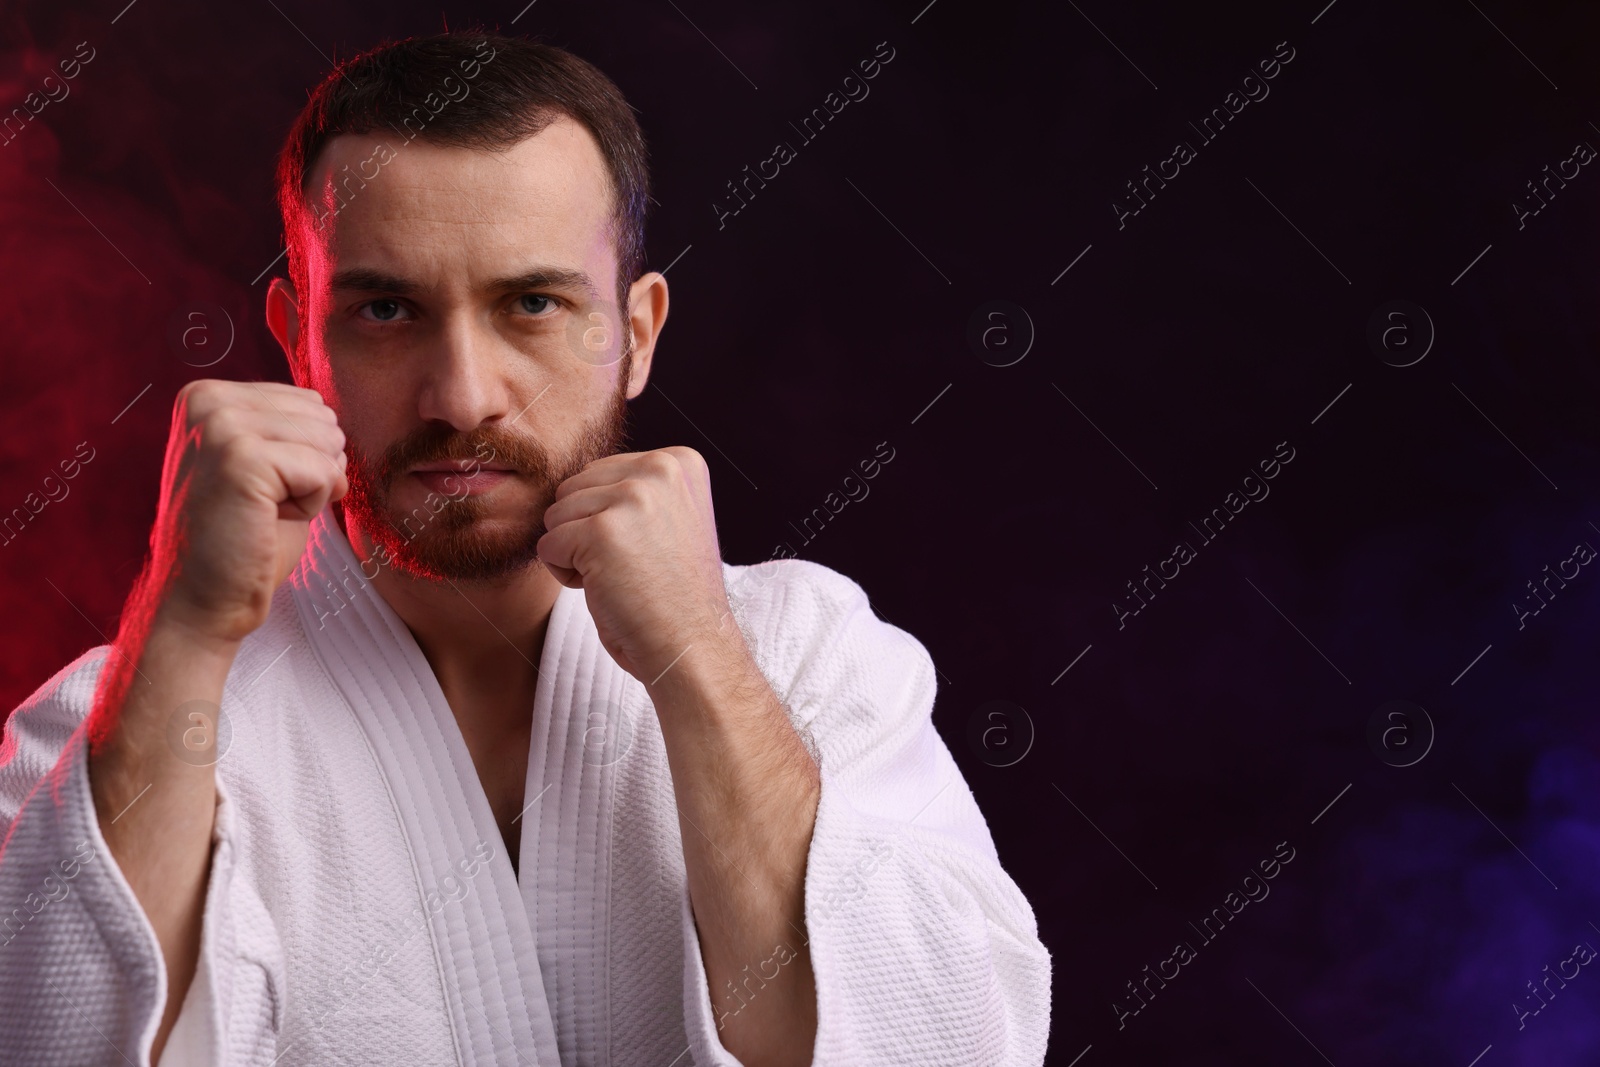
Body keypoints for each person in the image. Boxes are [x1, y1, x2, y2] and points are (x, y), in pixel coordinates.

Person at [0, 30, 1051, 1066]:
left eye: (533, 303)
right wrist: (181, 629)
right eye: (384, 309)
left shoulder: (809, 655)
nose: (462, 396)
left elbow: (956, 1043)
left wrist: (698, 654)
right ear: (295, 338)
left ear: (635, 335)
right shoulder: (112, 721)